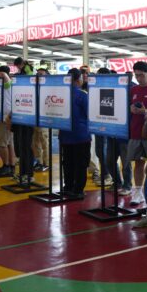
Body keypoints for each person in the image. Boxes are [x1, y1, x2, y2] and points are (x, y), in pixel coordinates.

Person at [59, 68, 91, 198]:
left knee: (67, 162)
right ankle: (78, 190)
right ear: (78, 80)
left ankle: (68, 187)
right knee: (81, 163)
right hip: (81, 135)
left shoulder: (61, 94)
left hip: (65, 134)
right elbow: (89, 114)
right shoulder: (82, 95)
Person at [127, 61, 147, 206]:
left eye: (141, 75)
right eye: (136, 75)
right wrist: (131, 109)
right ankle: (137, 192)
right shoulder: (133, 90)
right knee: (138, 163)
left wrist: (146, 111)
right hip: (136, 131)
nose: (138, 78)